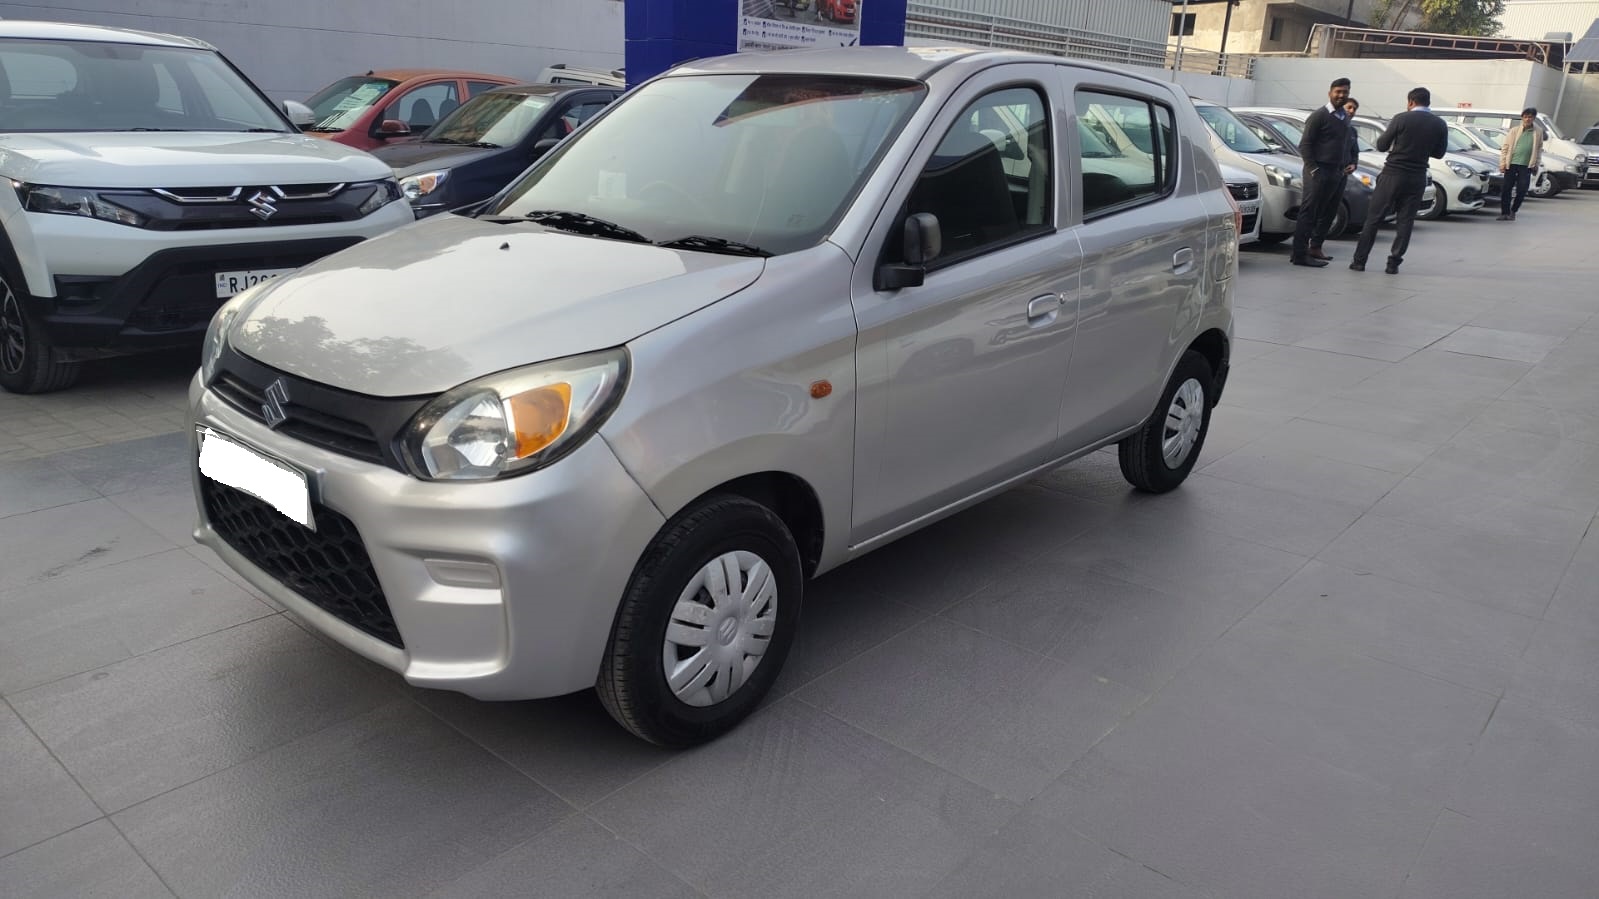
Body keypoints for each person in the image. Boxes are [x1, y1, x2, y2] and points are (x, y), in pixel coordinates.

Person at [1349, 87, 1448, 275]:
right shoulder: (1439, 124)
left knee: (1374, 218)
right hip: (1417, 176)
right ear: (1428, 102)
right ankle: (1393, 263)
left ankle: (1359, 261)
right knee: (1405, 221)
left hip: (1393, 174)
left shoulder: (1401, 118)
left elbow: (1381, 145)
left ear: (1410, 102)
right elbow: (1439, 153)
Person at [1291, 77, 1355, 267]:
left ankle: (1315, 247)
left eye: (1345, 92)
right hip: (1319, 172)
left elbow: (1348, 144)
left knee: (1326, 212)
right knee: (1309, 212)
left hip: (1337, 172)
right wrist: (1313, 169)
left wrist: (1351, 162)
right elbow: (1305, 144)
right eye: (1338, 92)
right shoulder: (1319, 115)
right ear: (1330, 93)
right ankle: (1299, 255)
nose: (1341, 95)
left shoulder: (1344, 117)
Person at [1497, 107, 1543, 222]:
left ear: (1534, 118)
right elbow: (1505, 147)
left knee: (1522, 190)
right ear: (1522, 117)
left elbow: (1539, 149)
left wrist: (1536, 163)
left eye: (1530, 117)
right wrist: (1503, 163)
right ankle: (1504, 213)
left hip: (1526, 166)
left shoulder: (1538, 132)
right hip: (1511, 164)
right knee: (1506, 189)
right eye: (1526, 116)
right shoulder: (1514, 130)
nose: (1528, 119)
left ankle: (1513, 211)